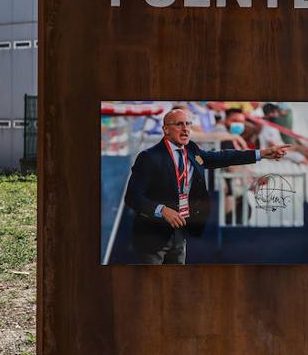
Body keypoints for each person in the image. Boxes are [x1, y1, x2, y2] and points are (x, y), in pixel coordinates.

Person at [124, 107, 289, 264]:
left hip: (180, 232)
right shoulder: (149, 157)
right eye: (179, 124)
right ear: (166, 129)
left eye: (188, 124)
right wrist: (161, 210)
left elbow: (223, 157)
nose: (186, 129)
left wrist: (261, 153)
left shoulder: (191, 149)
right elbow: (132, 196)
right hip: (152, 235)